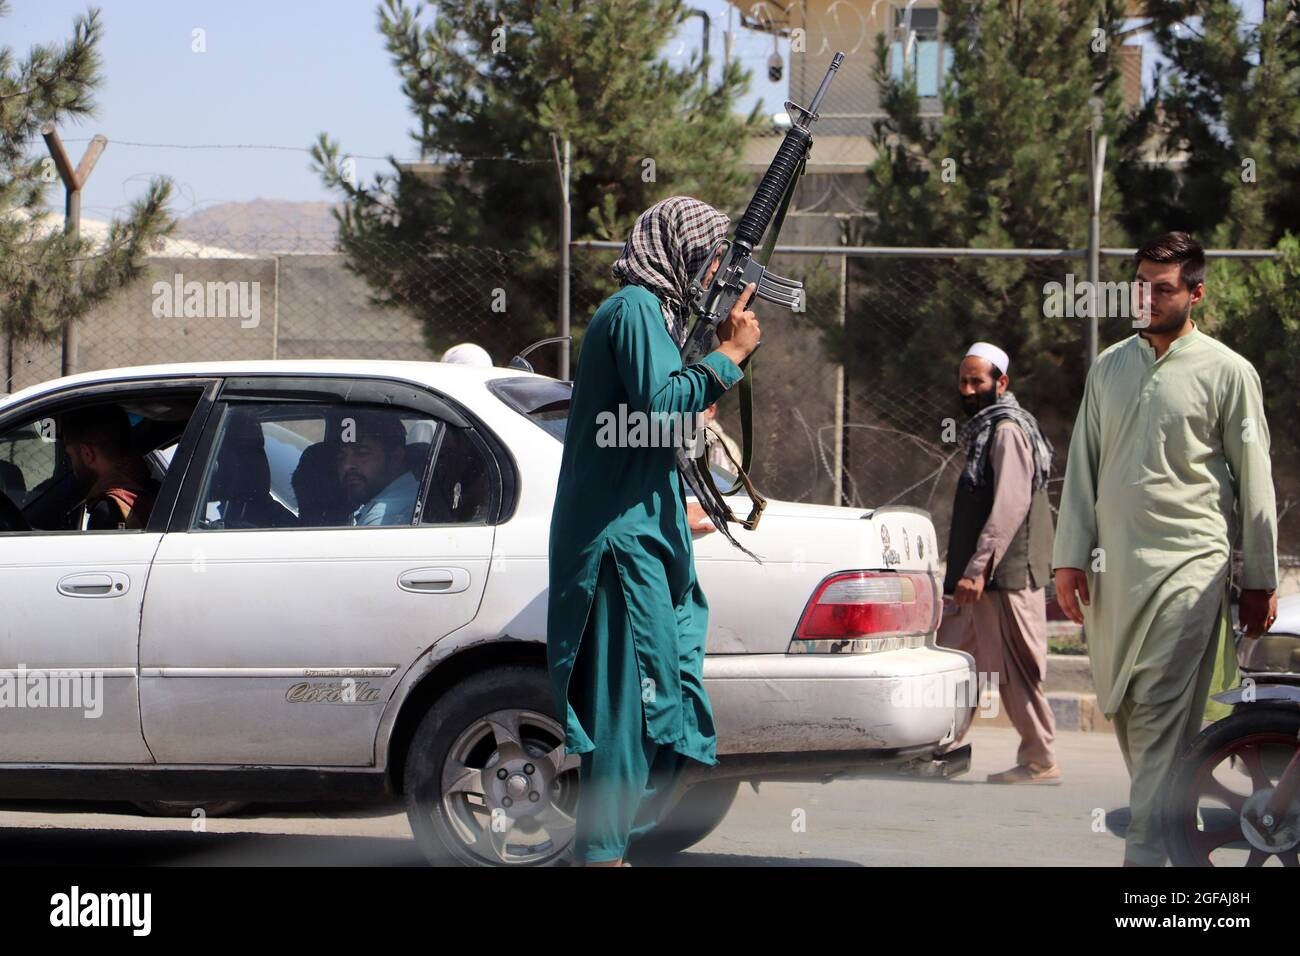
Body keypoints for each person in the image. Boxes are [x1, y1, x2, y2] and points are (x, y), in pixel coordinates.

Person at [546, 195, 760, 866]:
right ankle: (601, 855)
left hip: (642, 540)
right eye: (713, 257)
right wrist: (728, 354)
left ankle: (607, 848)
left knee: (657, 707)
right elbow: (661, 402)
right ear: (682, 253)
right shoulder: (636, 309)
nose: (717, 271)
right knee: (621, 719)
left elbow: (654, 422)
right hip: (618, 547)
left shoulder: (655, 320)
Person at [1053, 231, 1279, 866]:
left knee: (1155, 709)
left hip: (1190, 570)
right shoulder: (1110, 367)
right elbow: (1082, 468)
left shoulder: (1229, 373)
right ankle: (1181, 844)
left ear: (1196, 293)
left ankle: (1145, 862)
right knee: (1130, 712)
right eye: (1140, 284)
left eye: (1164, 287)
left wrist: (1258, 576)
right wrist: (1070, 557)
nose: (1147, 298)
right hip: (1115, 575)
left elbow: (1255, 482)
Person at [938, 342, 1059, 783]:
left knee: (1012, 668)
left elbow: (1009, 505)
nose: (968, 390)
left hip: (1001, 576)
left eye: (978, 381)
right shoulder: (984, 431)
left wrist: (977, 569)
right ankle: (939, 748)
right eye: (963, 381)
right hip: (977, 579)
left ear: (1001, 383)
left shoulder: (1007, 430)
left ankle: (1039, 758)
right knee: (955, 660)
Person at [59, 404, 159, 530]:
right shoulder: (156, 489)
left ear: (87, 453)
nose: (72, 466)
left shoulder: (108, 512)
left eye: (70, 456)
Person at [339, 412, 419, 526]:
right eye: (341, 456)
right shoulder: (414, 493)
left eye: (362, 453)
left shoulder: (382, 518)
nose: (346, 465)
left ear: (395, 458)